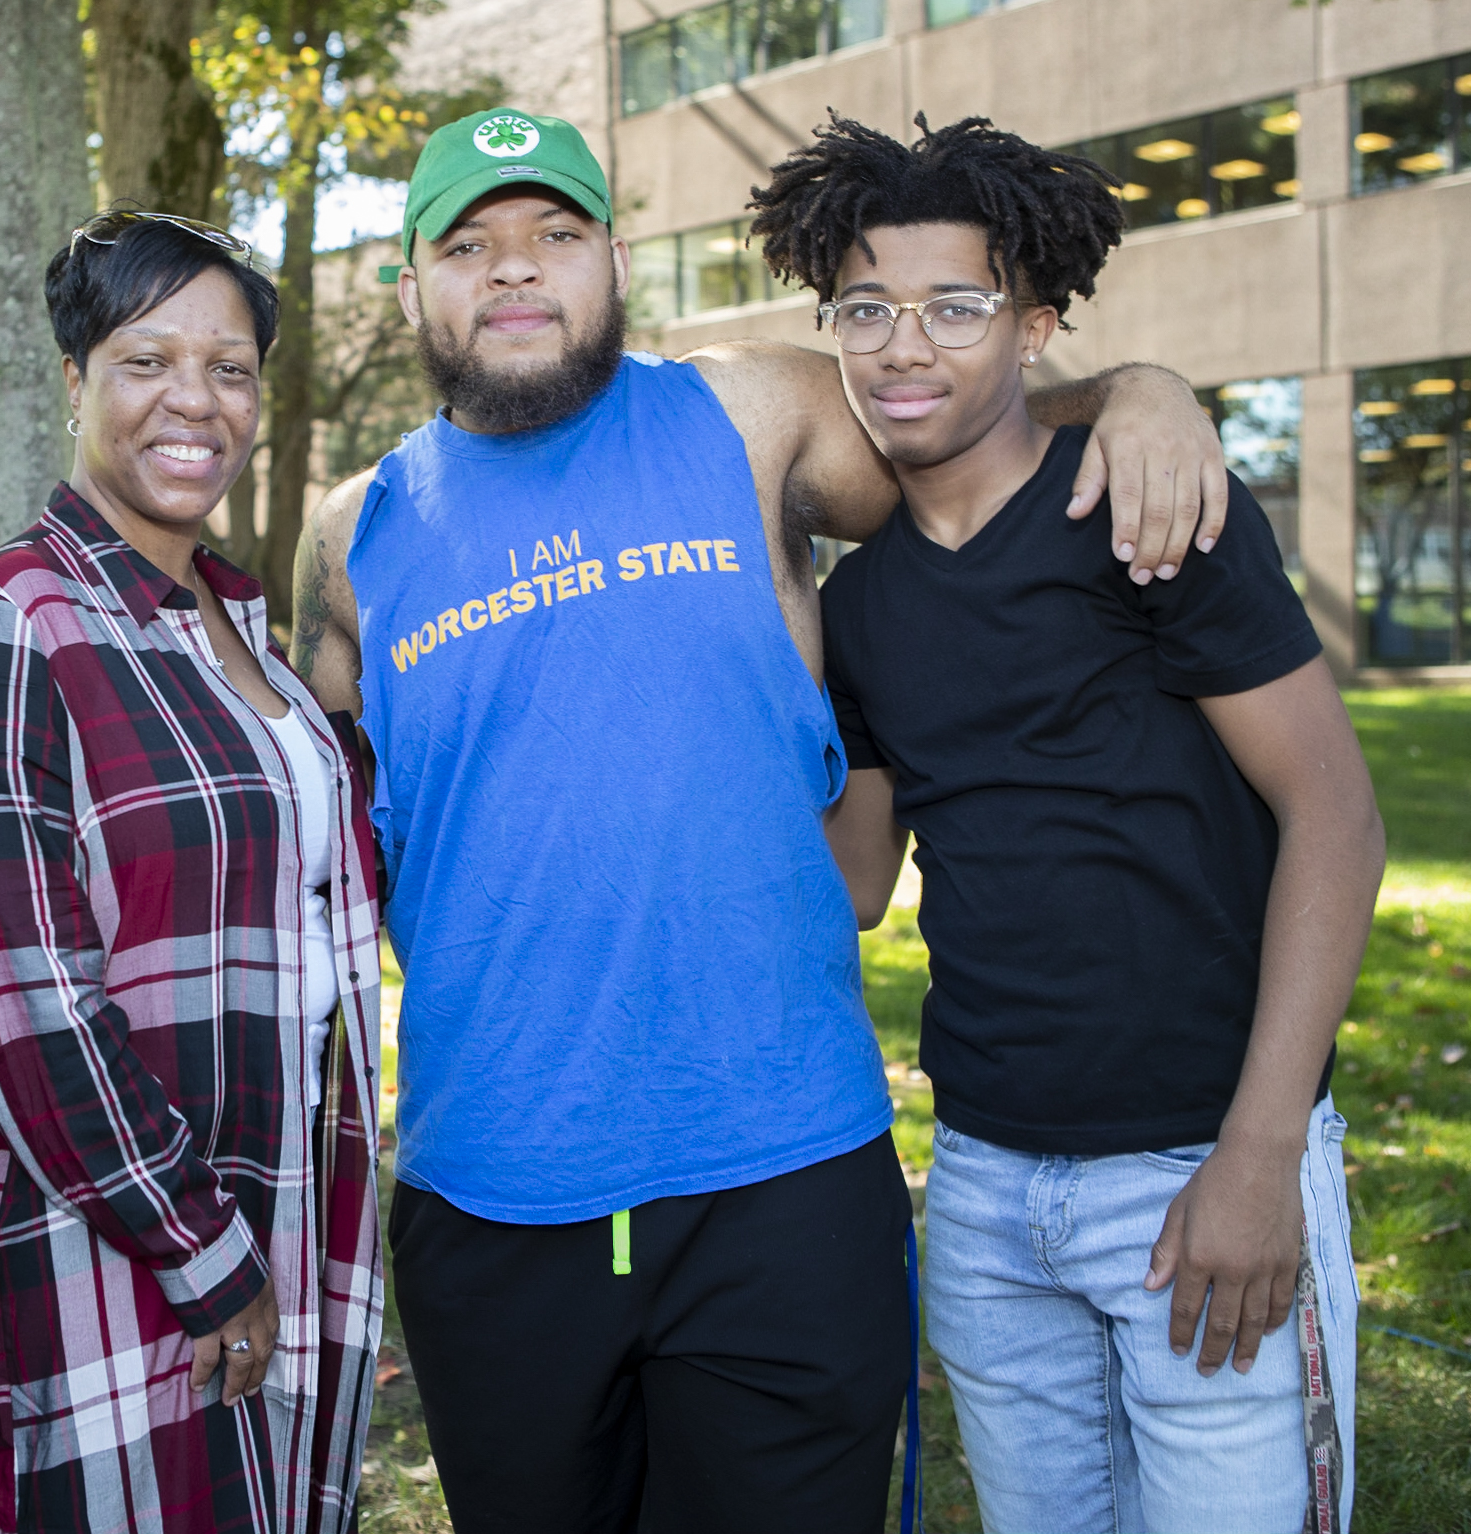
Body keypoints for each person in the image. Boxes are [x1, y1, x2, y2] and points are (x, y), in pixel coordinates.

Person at [289, 106, 1236, 1532]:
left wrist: (1143, 390)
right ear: (409, 281)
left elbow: (974, 439)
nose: (516, 271)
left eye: (556, 233)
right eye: (468, 244)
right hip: (492, 1188)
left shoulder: (748, 410)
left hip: (779, 1171)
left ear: (614, 256)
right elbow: (315, 846)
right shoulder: (348, 533)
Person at [768, 115, 1383, 1534]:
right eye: (864, 308)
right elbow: (854, 881)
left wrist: (1258, 1151)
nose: (902, 346)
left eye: (954, 306)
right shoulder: (856, 605)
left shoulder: (1144, 507)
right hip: (987, 1180)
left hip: (1198, 1159)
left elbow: (1335, 817)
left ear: (1035, 323)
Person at [0, 210, 386, 1534]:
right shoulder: (8, 619)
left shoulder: (240, 629)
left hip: (280, 1211)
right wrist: (200, 1250)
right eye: (146, 359)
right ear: (75, 378)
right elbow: (22, 993)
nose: (196, 399)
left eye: (229, 368)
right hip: (111, 1257)